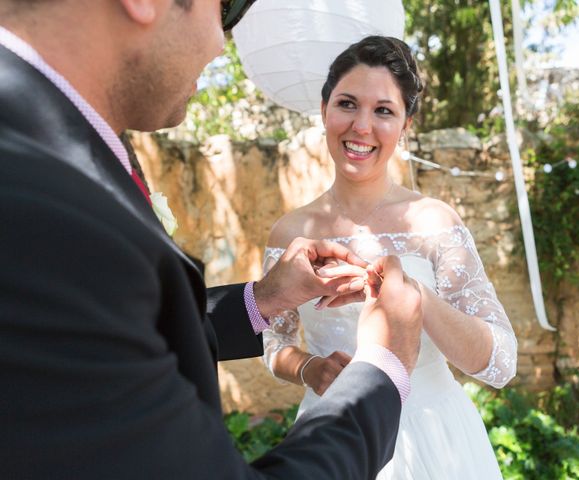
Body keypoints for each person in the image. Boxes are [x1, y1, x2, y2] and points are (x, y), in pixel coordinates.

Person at [0, 2, 425, 479]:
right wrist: (384, 366)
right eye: (226, 7)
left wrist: (263, 298)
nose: (223, 44)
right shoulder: (34, 202)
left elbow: (117, 330)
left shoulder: (55, 148)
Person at [263, 35, 518, 480]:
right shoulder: (290, 232)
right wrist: (309, 369)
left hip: (438, 440)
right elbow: (273, 340)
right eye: (347, 104)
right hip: (333, 439)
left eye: (383, 110)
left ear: (406, 124)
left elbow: (500, 363)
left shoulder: (434, 223)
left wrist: (417, 298)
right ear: (324, 110)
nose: (361, 126)